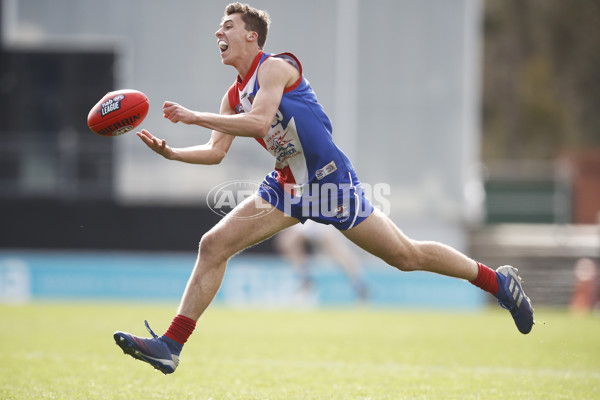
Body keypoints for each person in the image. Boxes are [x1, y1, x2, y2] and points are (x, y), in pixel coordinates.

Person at [113, 2, 534, 375]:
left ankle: (497, 283)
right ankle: (171, 346)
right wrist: (173, 155)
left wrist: (194, 116)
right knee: (213, 244)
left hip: (330, 181)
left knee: (406, 255)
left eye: (227, 26)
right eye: (219, 27)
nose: (218, 33)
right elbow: (215, 153)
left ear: (251, 36)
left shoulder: (274, 66)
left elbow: (259, 123)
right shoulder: (232, 96)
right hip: (286, 185)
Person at [275, 220, 369, 301]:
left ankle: (360, 285)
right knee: (288, 241)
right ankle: (305, 281)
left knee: (338, 251)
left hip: (322, 210)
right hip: (303, 212)